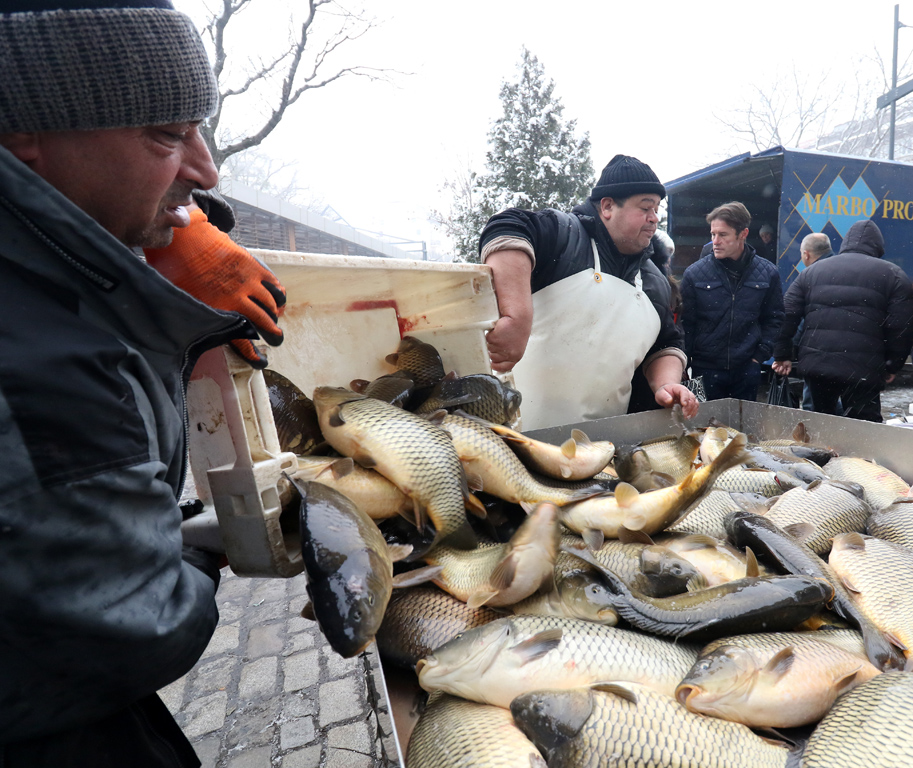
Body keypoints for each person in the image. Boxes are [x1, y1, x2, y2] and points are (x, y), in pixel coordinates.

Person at [0, 1, 286, 765]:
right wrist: (200, 549)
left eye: (199, 129)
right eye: (167, 134)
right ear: (24, 130)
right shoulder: (43, 366)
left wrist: (166, 230)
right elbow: (134, 625)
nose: (207, 170)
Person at [478, 154, 698, 431]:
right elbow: (508, 227)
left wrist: (667, 384)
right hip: (512, 434)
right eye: (645, 207)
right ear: (607, 206)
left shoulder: (655, 281)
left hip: (597, 446)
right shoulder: (564, 236)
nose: (654, 219)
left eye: (657, 209)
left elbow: (666, 343)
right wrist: (516, 316)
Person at [772, 220, 913, 422]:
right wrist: (892, 365)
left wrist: (782, 354)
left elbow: (786, 315)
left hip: (818, 366)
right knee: (864, 429)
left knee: (819, 427)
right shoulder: (893, 275)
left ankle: (819, 453)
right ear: (878, 247)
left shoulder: (812, 272)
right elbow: (901, 327)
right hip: (864, 369)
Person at [679, 202, 784, 402]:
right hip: (703, 369)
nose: (715, 241)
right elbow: (685, 324)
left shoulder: (768, 273)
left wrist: (758, 357)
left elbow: (775, 318)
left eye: (723, 234)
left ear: (743, 234)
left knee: (741, 430)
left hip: (747, 369)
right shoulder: (694, 273)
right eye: (712, 234)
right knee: (702, 429)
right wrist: (684, 365)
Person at [794, 232, 836, 411]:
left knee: (814, 406)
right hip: (845, 352)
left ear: (806, 254)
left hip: (817, 352)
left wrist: (790, 349)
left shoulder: (810, 276)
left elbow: (802, 317)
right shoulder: (842, 269)